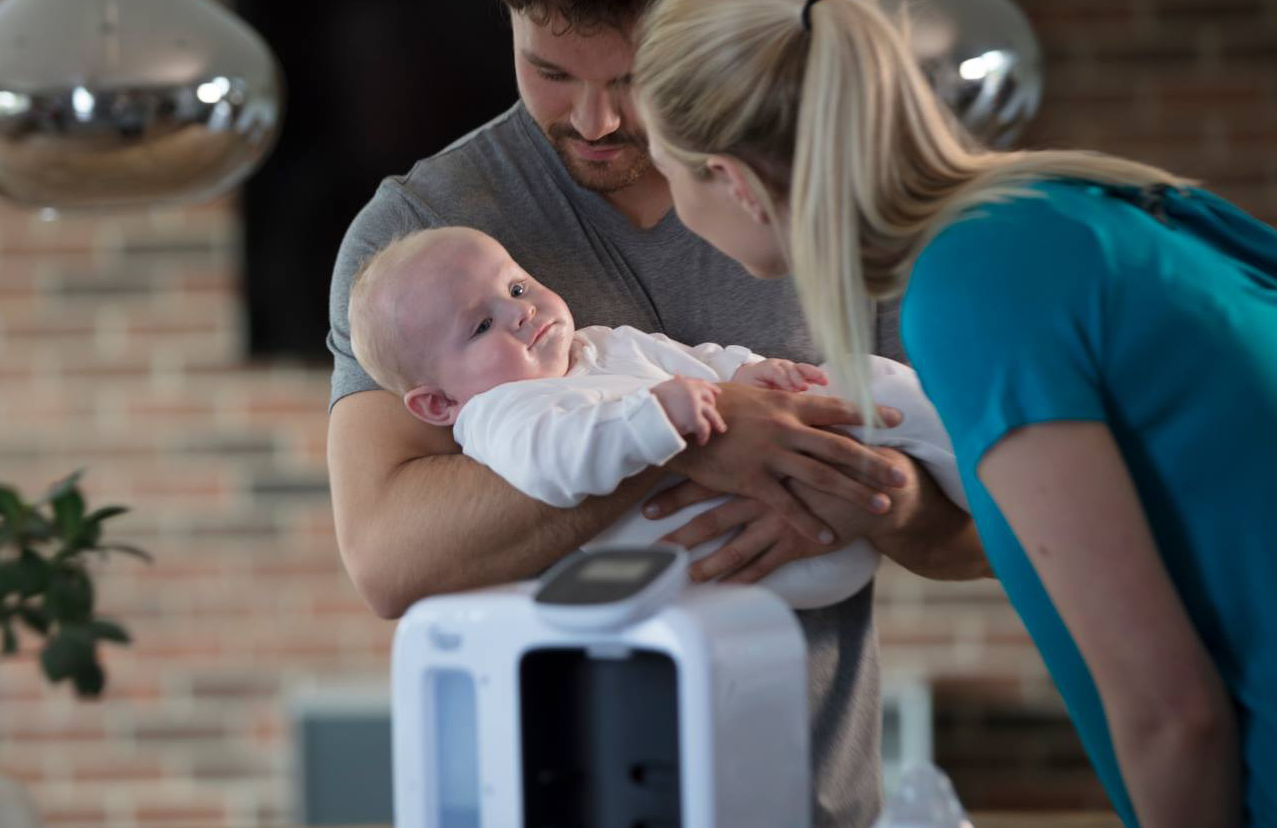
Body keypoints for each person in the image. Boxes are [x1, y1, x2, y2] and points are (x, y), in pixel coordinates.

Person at [325, 1, 988, 823]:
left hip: (806, 795)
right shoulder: (421, 238)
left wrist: (878, 490)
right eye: (550, 73)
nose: (595, 120)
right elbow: (388, 561)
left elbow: (1006, 525)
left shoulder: (823, 187)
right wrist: (691, 441)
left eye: (632, 80)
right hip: (556, 787)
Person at [632, 0, 1277, 826]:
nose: (674, 202)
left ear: (736, 182)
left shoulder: (975, 284)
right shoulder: (1063, 202)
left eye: (669, 169)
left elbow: (1170, 712)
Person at [347, 225, 970, 609]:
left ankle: (980, 469)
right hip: (738, 562)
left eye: (516, 288)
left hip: (825, 523)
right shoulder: (499, 412)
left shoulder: (597, 344)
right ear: (439, 403)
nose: (519, 313)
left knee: (867, 378)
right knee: (871, 396)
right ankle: (976, 463)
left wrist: (745, 375)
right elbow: (557, 463)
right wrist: (662, 421)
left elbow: (694, 362)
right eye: (482, 325)